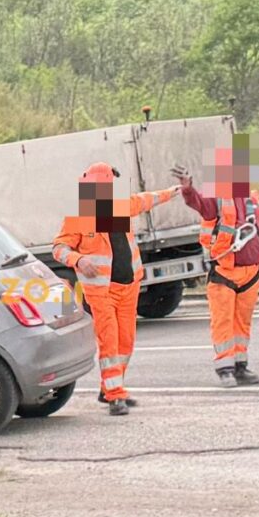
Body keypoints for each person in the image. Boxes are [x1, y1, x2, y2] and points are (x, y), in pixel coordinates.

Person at [51, 162, 179, 416]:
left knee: (126, 342)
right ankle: (114, 395)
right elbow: (59, 248)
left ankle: (110, 386)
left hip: (128, 287)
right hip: (101, 292)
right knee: (109, 341)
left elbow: (145, 200)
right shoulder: (78, 217)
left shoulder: (119, 208)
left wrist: (173, 192)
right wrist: (79, 260)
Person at [175, 161, 259, 387]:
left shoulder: (255, 200)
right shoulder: (217, 200)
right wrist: (187, 187)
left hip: (251, 274)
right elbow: (198, 203)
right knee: (223, 322)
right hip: (224, 273)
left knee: (242, 324)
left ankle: (241, 367)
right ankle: (225, 369)